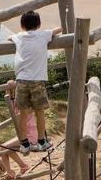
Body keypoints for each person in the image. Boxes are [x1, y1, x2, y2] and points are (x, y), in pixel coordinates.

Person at [8, 11, 62, 155]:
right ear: (39, 25)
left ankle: (24, 143)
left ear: (22, 25)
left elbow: (9, 37)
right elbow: (59, 29)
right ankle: (41, 141)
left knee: (24, 113)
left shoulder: (18, 37)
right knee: (39, 112)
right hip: (37, 79)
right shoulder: (43, 35)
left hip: (21, 79)